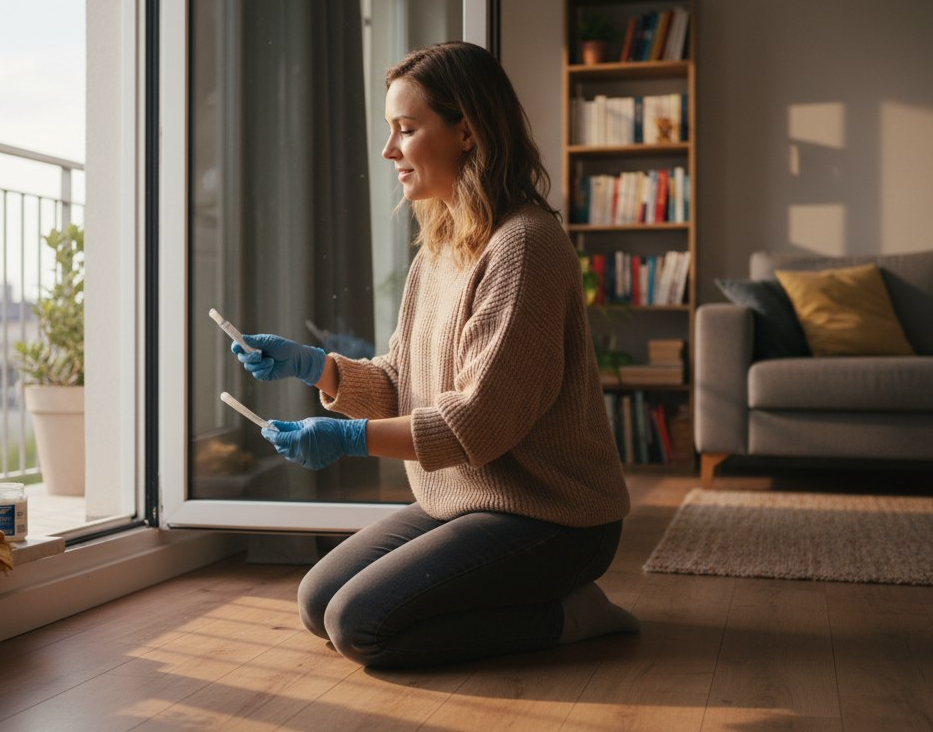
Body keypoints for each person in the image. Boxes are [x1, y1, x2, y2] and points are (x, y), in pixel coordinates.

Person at [231, 40, 638, 668]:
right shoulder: (440, 249)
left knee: (360, 624)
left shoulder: (525, 246)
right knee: (317, 602)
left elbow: (475, 423)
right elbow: (401, 378)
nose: (390, 150)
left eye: (406, 129)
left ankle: (572, 614)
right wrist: (316, 366)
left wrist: (347, 439)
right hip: (462, 503)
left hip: (555, 518)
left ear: (467, 132)